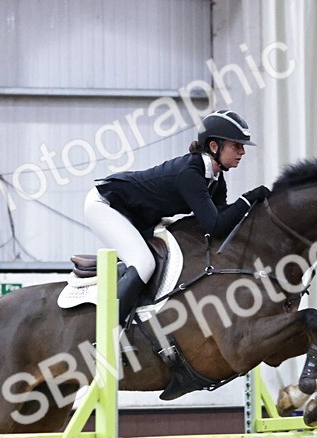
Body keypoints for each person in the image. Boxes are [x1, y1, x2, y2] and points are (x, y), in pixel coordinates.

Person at [85, 109, 271, 324]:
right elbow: (216, 226)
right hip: (106, 205)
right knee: (144, 263)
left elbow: (223, 219)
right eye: (236, 145)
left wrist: (254, 209)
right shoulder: (190, 174)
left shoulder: (216, 179)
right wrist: (247, 200)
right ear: (214, 146)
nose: (242, 152)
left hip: (139, 215)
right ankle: (108, 332)